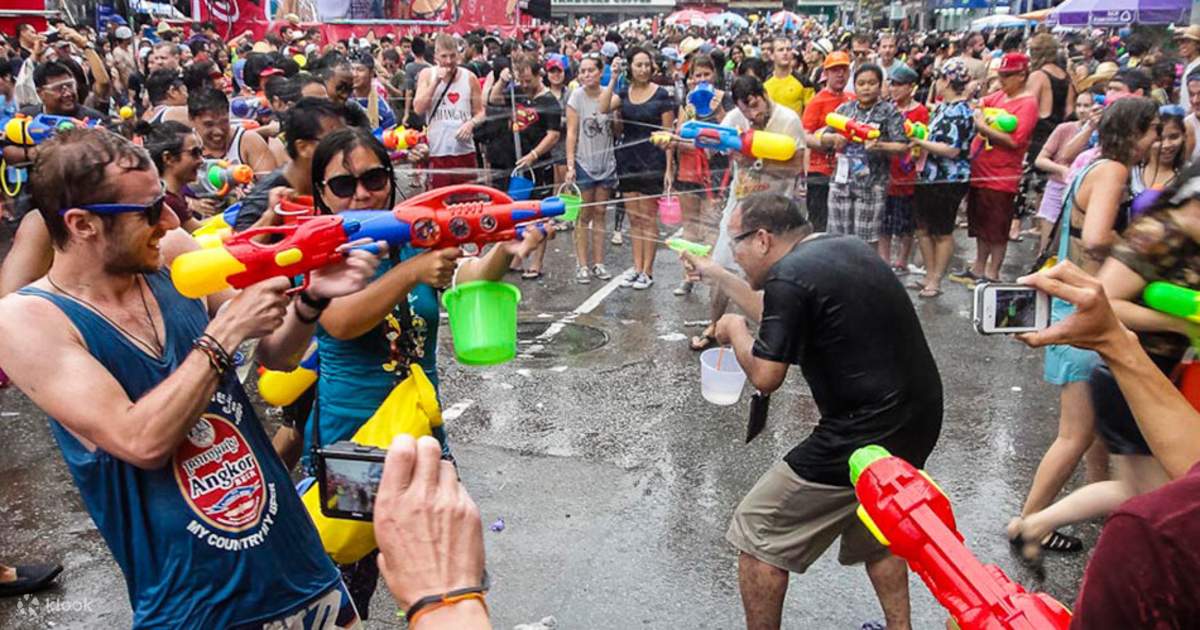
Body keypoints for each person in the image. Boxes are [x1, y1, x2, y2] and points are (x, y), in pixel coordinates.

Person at [0, 127, 379, 627]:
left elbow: (279, 354)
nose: (172, 218)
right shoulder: (29, 320)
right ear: (82, 224)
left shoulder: (174, 253)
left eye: (164, 199)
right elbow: (139, 439)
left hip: (302, 570)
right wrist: (223, 334)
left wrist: (310, 301)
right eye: (149, 211)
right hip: (196, 606)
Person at [304, 127, 546, 614]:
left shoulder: (415, 236)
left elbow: (465, 277)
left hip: (422, 437)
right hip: (355, 445)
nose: (362, 193)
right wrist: (411, 273)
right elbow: (341, 321)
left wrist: (508, 247)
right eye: (343, 186)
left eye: (373, 177)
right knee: (345, 593)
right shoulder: (319, 250)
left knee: (443, 582)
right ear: (321, 195)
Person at [681, 192, 942, 630]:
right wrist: (721, 277)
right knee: (878, 528)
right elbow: (783, 312)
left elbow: (766, 375)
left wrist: (733, 329)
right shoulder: (838, 248)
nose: (734, 256)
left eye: (735, 245)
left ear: (762, 239)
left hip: (865, 428)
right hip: (917, 416)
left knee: (758, 530)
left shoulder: (789, 277)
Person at [1008, 97, 1160, 557]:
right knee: (1074, 433)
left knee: (1091, 428)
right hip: (1084, 313)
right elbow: (1095, 239)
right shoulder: (1113, 170)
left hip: (1074, 309)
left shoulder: (1093, 165)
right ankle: (1029, 521)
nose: (1157, 141)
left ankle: (1098, 504)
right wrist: (1148, 253)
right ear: (1135, 132)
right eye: (1152, 131)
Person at [1015, 261, 1200, 627]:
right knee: (1096, 461)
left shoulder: (1159, 531)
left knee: (1138, 497)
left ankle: (1032, 523)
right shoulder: (1161, 232)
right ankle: (1032, 523)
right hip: (1132, 383)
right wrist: (1117, 340)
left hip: (1141, 381)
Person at [689, 75, 805, 352]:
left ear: (764, 95)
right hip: (739, 207)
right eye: (745, 110)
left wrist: (757, 160)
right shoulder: (734, 118)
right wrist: (677, 140)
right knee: (722, 268)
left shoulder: (788, 120)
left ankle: (773, 335)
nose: (752, 115)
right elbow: (708, 147)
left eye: (755, 106)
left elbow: (796, 166)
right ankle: (713, 325)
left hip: (775, 212)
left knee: (773, 277)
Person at [950, 52, 1038, 286]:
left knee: (997, 228)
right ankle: (979, 267)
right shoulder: (1000, 96)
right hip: (980, 170)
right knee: (979, 224)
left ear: (1022, 75)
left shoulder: (1028, 103)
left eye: (1008, 76)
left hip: (1001, 175)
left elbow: (1014, 141)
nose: (1003, 81)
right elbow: (980, 103)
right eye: (1001, 75)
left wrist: (983, 126)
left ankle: (992, 272)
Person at [602, 46, 674, 290]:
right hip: (628, 159)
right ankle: (636, 266)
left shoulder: (662, 94)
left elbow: (669, 134)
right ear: (630, 67)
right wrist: (612, 77)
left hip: (652, 160)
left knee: (648, 217)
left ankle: (648, 271)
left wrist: (668, 169)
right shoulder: (623, 92)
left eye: (647, 64)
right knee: (633, 217)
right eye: (638, 64)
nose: (644, 69)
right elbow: (602, 107)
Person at [484, 52, 562, 279]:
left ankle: (536, 262)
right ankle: (517, 256)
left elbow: (553, 135)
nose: (525, 85)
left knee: (540, 211)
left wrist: (534, 155)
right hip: (516, 161)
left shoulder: (549, 102)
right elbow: (493, 99)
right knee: (517, 209)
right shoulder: (516, 92)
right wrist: (503, 81)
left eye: (529, 81)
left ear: (540, 75)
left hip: (538, 164)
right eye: (522, 80)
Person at [817, 64, 908, 249]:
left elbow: (902, 146)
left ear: (881, 85)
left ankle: (865, 277)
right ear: (855, 85)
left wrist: (880, 145)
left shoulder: (889, 111)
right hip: (841, 181)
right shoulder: (844, 110)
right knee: (837, 240)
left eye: (872, 83)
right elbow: (821, 137)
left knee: (866, 242)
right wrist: (833, 138)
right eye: (861, 83)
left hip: (872, 184)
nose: (866, 88)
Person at [910, 58, 976, 299]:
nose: (936, 83)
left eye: (938, 78)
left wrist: (919, 142)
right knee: (923, 228)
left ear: (947, 81)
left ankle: (936, 279)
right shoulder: (942, 107)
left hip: (949, 178)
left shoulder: (961, 111)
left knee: (942, 231)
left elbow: (952, 150)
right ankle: (928, 274)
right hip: (929, 175)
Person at [671, 54, 728, 296]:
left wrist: (717, 110)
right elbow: (678, 137)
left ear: (714, 76)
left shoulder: (724, 99)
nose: (702, 79)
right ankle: (689, 275)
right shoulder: (687, 103)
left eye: (706, 74)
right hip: (688, 170)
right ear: (691, 78)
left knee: (711, 225)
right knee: (690, 226)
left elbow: (732, 132)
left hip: (716, 172)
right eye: (697, 75)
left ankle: (712, 275)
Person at [1016, 34, 1075, 242]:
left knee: (1026, 182)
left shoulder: (1038, 76)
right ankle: (1041, 227)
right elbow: (1070, 110)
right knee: (1046, 183)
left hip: (1039, 133)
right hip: (1059, 133)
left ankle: (1016, 227)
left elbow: (1029, 107)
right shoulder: (1066, 76)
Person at [565, 53, 618, 285]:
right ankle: (582, 264)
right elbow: (571, 133)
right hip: (584, 163)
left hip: (607, 163)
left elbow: (616, 127)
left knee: (600, 214)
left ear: (601, 72)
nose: (587, 75)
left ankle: (599, 262)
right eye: (583, 71)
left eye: (591, 70)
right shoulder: (576, 97)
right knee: (583, 215)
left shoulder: (610, 95)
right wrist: (570, 165)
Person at [1032, 92, 1099, 254]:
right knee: (1047, 246)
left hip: (1084, 195)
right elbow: (1041, 159)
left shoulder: (1102, 135)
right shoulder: (1064, 129)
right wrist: (1061, 169)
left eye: (1087, 106)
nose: (1082, 110)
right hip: (1057, 188)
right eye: (1079, 105)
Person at [414, 34, 483, 190]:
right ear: (436, 56)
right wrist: (436, 83)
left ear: (458, 55)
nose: (449, 61)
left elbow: (481, 112)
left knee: (467, 200)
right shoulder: (427, 75)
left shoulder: (469, 77)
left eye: (452, 56)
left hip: (464, 152)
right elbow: (418, 108)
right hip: (437, 151)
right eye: (444, 56)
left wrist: (471, 124)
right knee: (439, 203)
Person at [880, 65, 927, 273]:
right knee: (884, 221)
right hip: (885, 171)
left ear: (911, 87)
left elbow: (920, 141)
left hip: (908, 172)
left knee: (906, 222)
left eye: (899, 85)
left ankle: (902, 260)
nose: (894, 89)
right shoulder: (886, 108)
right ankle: (884, 259)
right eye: (892, 84)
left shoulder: (920, 111)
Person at [188, 87, 277, 175]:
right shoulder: (184, 149)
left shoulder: (249, 142)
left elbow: (271, 186)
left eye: (224, 122)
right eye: (209, 125)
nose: (218, 131)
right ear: (191, 119)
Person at [763, 36, 804, 116]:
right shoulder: (765, 83)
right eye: (780, 50)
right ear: (771, 55)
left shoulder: (803, 81)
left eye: (788, 49)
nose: (785, 53)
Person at [1174, 25, 1200, 109]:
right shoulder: (1190, 65)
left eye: (1187, 42)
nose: (1182, 46)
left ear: (1198, 45)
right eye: (1181, 42)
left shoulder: (1197, 66)